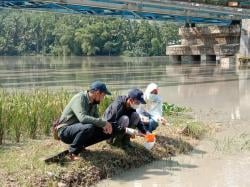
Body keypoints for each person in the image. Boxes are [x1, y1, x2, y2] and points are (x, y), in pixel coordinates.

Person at [56, 81, 113, 160]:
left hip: (78, 129)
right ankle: (72, 152)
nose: (103, 98)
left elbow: (96, 118)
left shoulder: (94, 103)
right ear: (97, 93)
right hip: (64, 131)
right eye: (103, 95)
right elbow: (82, 118)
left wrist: (105, 126)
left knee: (103, 129)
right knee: (88, 127)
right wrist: (103, 123)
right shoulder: (80, 98)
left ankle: (80, 147)